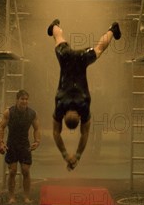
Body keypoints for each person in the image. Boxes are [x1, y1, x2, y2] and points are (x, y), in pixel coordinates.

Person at [48, 18, 121, 170]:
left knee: (99, 49)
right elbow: (57, 133)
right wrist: (71, 155)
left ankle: (112, 30)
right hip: (67, 59)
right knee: (59, 38)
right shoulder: (60, 103)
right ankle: (54, 26)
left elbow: (83, 134)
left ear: (79, 117)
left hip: (80, 60)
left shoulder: (84, 104)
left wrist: (72, 156)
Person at [0, 89, 41, 203]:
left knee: (26, 171)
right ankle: (11, 197)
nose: (24, 101)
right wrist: (0, 142)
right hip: (12, 144)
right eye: (22, 99)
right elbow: (1, 127)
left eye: (26, 99)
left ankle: (26, 197)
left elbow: (37, 129)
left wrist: (37, 141)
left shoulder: (32, 113)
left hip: (24, 144)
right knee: (12, 172)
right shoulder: (9, 112)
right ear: (17, 100)